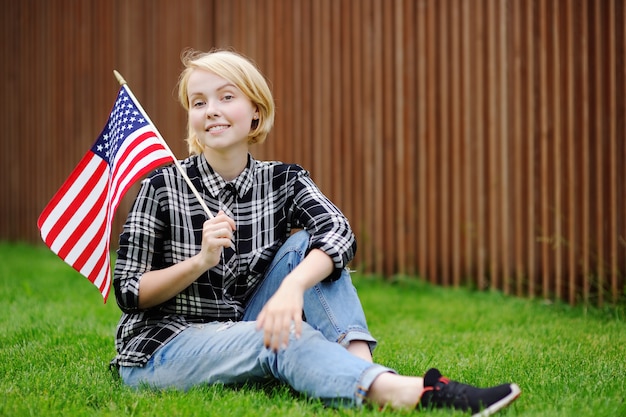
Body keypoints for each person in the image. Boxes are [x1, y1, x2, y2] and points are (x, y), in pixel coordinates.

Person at [110, 49, 521, 415]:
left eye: (226, 96)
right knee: (283, 336)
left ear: (256, 110)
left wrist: (293, 286)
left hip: (242, 325)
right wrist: (199, 262)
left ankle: (357, 367)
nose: (211, 109)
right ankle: (414, 392)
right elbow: (129, 291)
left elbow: (339, 232)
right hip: (165, 347)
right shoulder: (161, 186)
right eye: (198, 103)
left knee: (310, 248)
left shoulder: (282, 180)